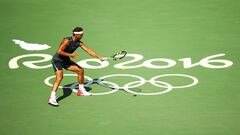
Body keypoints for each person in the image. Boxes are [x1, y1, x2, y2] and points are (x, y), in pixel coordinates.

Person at [48, 27, 104, 106]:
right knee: (59, 77)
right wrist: (70, 55)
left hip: (66, 61)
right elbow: (59, 51)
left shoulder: (79, 43)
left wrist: (99, 57)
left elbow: (88, 50)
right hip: (57, 60)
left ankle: (81, 91)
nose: (82, 36)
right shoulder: (67, 40)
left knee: (80, 70)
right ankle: (52, 97)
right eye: (81, 35)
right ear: (76, 35)